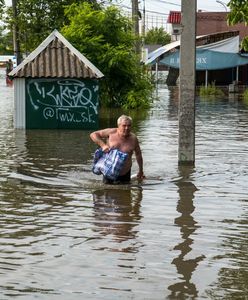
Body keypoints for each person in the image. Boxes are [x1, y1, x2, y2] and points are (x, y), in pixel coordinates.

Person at [90, 115, 145, 184]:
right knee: (107, 191)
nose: (127, 128)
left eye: (129, 125)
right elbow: (93, 134)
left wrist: (141, 170)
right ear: (118, 125)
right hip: (109, 170)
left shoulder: (133, 138)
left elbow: (138, 154)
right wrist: (103, 145)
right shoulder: (111, 132)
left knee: (125, 193)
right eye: (124, 125)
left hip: (125, 173)